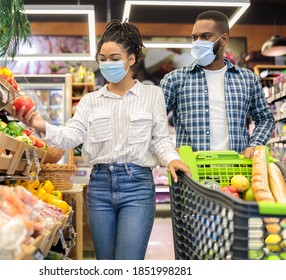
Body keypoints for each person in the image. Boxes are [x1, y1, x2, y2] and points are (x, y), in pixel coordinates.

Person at [13, 19, 190, 260]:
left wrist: (172, 159)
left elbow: (159, 139)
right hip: (99, 187)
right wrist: (39, 124)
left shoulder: (152, 95)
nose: (107, 64)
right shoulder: (90, 100)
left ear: (131, 59)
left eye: (115, 58)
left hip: (137, 186)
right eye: (102, 58)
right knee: (105, 263)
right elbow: (70, 135)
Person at [160, 10, 275, 159]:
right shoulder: (174, 79)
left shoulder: (248, 80)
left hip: (235, 172)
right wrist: (168, 151)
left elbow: (266, 119)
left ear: (224, 39)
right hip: (190, 172)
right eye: (195, 37)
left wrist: (255, 144)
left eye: (205, 36)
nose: (197, 42)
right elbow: (152, 120)